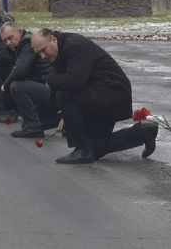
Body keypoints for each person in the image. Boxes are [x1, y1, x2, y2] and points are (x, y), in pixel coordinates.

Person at [30, 28, 158, 164]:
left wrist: (50, 80)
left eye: (43, 50)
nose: (43, 56)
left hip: (111, 95)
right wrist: (66, 115)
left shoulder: (74, 46)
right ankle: (144, 131)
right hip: (98, 96)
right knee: (96, 149)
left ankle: (81, 149)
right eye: (39, 54)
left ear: (54, 40)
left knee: (63, 94)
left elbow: (74, 81)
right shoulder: (62, 48)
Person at [0, 22, 59, 139]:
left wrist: (5, 85)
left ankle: (34, 128)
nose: (8, 43)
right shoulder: (20, 45)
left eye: (10, 38)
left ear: (19, 31)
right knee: (28, 123)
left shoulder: (27, 43)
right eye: (4, 41)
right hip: (48, 88)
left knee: (16, 86)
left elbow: (20, 70)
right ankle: (56, 121)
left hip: (52, 88)